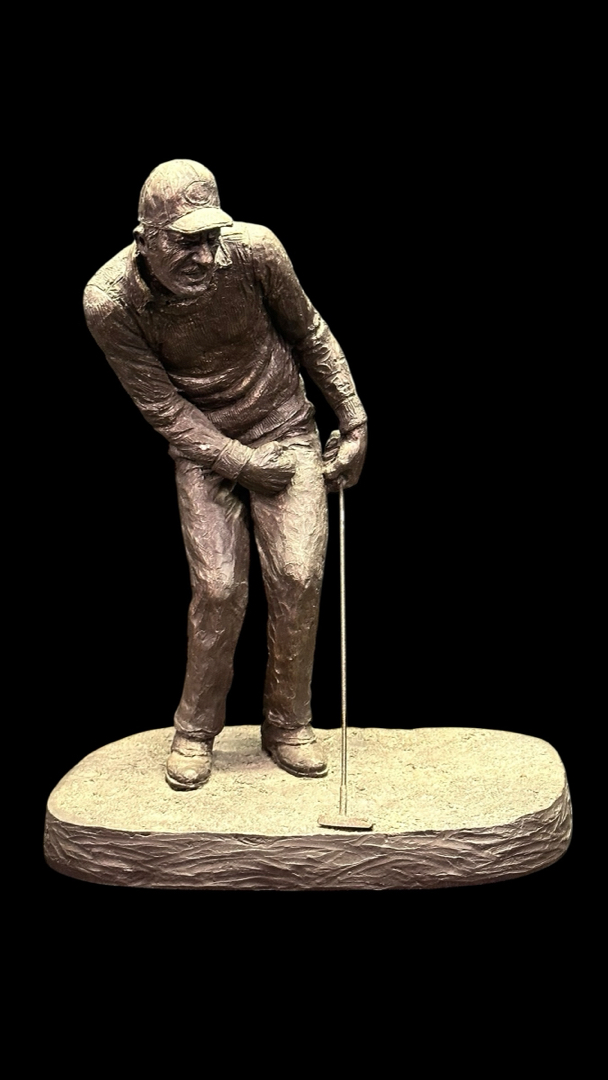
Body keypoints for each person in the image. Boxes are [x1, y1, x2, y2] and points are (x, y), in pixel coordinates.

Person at [83, 159, 367, 791]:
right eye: (186, 242)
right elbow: (163, 407)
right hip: (204, 446)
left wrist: (353, 418)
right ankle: (194, 728)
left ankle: (288, 723)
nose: (205, 256)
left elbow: (310, 331)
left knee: (298, 576)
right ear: (145, 240)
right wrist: (240, 462)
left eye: (212, 237)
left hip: (286, 428)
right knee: (217, 589)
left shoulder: (256, 251)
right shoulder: (109, 301)